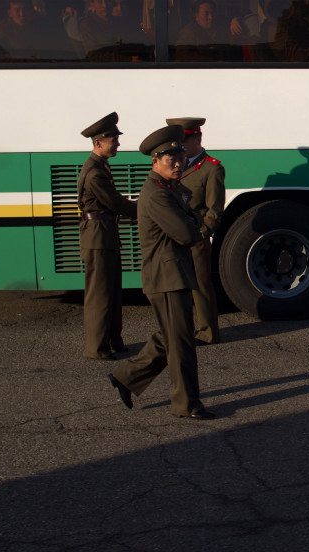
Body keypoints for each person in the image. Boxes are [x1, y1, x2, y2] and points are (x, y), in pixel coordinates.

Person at [107, 125, 215, 420]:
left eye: (180, 157)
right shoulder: (156, 193)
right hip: (166, 277)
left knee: (172, 336)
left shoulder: (170, 188)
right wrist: (195, 226)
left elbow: (190, 219)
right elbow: (185, 232)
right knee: (181, 344)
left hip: (173, 273)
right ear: (155, 162)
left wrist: (193, 223)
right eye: (171, 160)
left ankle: (126, 377)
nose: (178, 163)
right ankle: (187, 404)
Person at [77, 112, 137, 360]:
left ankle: (113, 340)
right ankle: (97, 347)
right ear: (99, 142)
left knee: (112, 291)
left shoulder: (100, 167)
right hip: (98, 237)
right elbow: (113, 202)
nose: (118, 144)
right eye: (114, 139)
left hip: (105, 235)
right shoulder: (94, 172)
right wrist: (145, 209)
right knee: (100, 294)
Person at [166, 116, 224, 345]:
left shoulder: (211, 168)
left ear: (198, 138)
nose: (181, 147)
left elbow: (215, 208)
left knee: (201, 285)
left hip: (196, 233)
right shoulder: (175, 163)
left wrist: (205, 231)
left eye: (185, 141)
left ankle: (208, 332)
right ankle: (185, 329)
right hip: (175, 232)